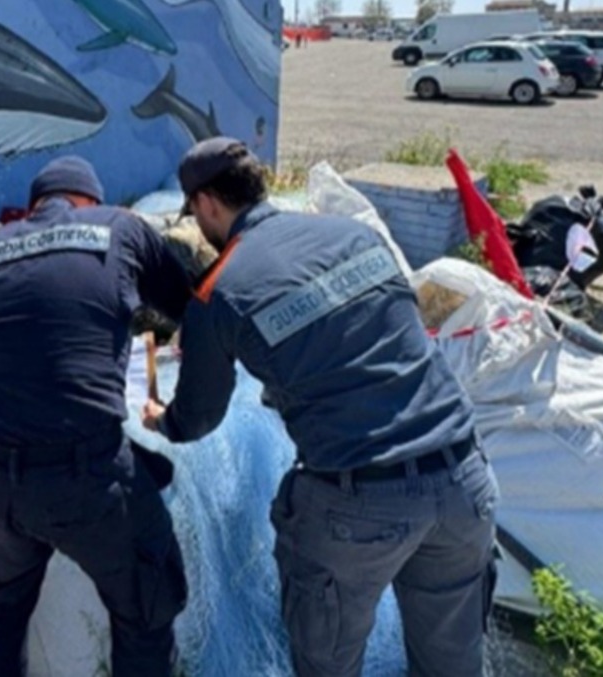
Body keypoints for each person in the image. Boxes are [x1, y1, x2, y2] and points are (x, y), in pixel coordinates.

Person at [141, 137, 499, 677]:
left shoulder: (220, 293)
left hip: (358, 506)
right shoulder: (356, 235)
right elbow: (381, 333)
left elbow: (199, 417)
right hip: (463, 480)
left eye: (195, 212)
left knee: (326, 661)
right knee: (451, 665)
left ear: (208, 203)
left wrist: (160, 419)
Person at [0, 156, 192, 676]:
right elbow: (188, 305)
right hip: (85, 479)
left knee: (1, 606)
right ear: (91, 202)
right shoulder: (119, 227)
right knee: (145, 612)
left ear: (36, 204)